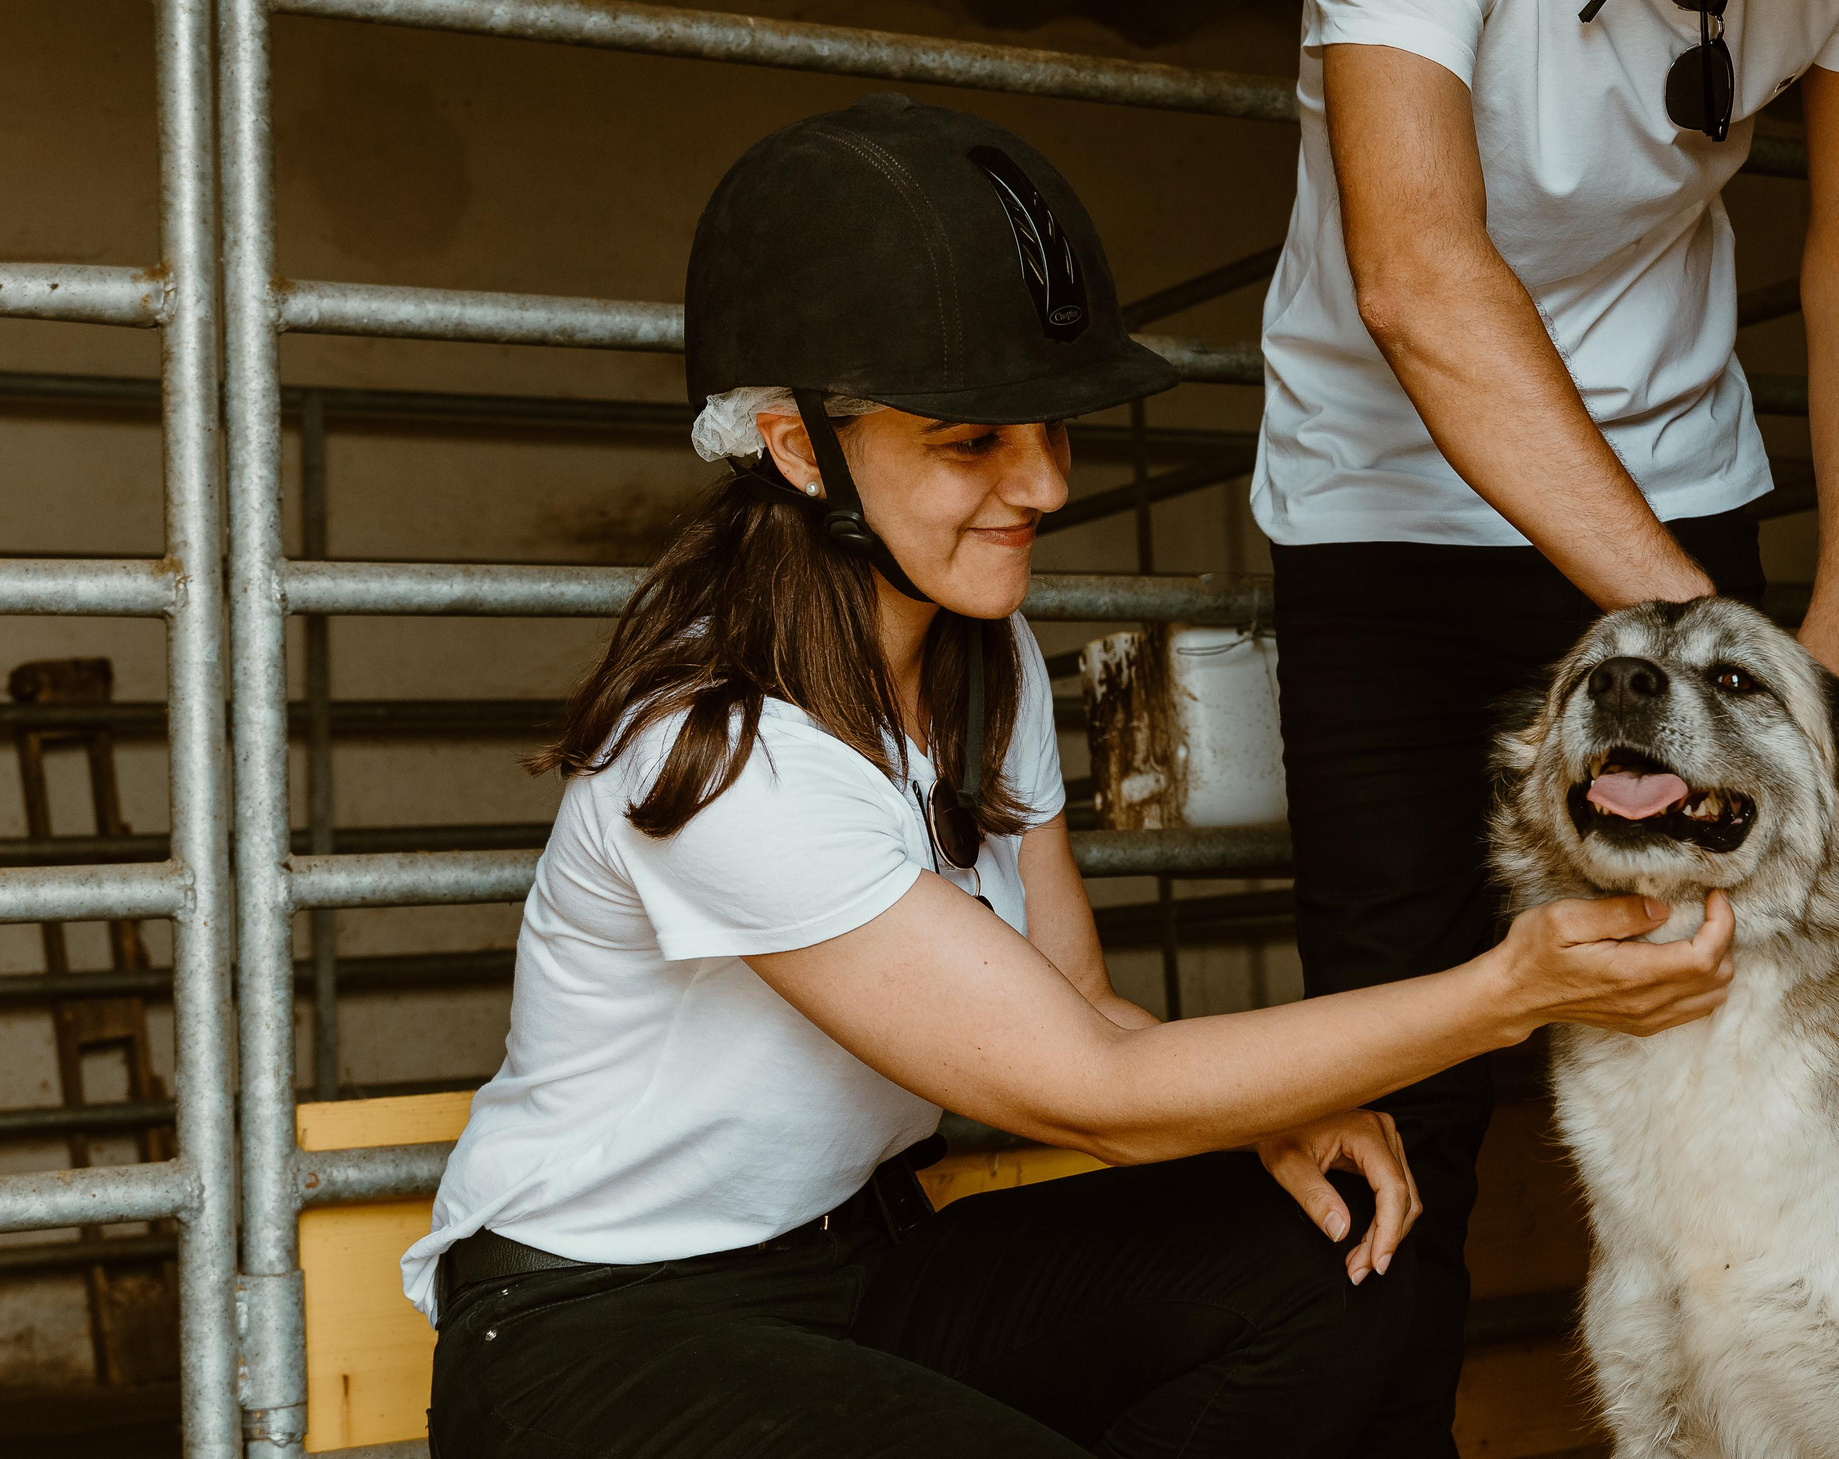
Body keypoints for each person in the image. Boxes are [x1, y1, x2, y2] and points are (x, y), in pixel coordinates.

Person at [408, 93, 1738, 1459]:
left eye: (1053, 429)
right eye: (973, 440)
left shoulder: (989, 654)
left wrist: (1256, 1115)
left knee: (1334, 1266)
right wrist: (1514, 989)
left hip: (861, 1265)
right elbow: (1087, 1083)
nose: (1043, 486)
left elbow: (1081, 1002)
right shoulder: (722, 742)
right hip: (598, 1332)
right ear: (803, 449)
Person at [1252, 0, 1839, 1447]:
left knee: (1762, 1012)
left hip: (1683, 482)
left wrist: (1836, 637)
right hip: (1389, 499)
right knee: (1392, 1079)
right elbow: (1420, 270)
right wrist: (1704, 660)